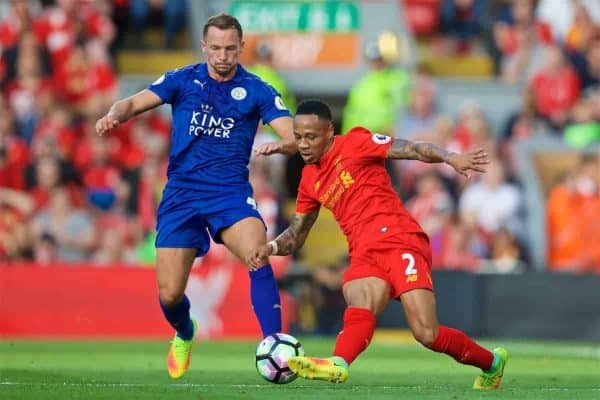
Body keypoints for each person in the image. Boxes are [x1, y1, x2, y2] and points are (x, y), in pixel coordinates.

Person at [248, 100, 508, 389]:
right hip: (363, 252)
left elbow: (410, 148)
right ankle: (338, 363)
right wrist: (270, 247)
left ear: (329, 132)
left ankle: (492, 363)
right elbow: (296, 235)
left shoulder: (356, 143)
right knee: (359, 297)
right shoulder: (309, 180)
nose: (304, 145)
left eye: (311, 137)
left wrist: (450, 157)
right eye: (298, 137)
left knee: (426, 333)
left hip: (399, 238)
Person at [95, 13, 296, 380]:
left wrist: (283, 144)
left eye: (230, 49)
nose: (222, 55)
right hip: (182, 195)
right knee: (170, 295)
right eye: (216, 48)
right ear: (204, 46)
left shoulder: (258, 90)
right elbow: (133, 102)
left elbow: (292, 132)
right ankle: (185, 331)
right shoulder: (182, 79)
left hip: (230, 193)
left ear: (241, 47)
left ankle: (274, 344)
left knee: (257, 253)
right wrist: (114, 114)